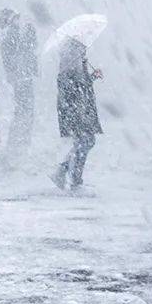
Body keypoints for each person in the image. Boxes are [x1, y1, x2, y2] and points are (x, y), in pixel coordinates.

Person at [52, 39, 103, 191]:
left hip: (76, 107)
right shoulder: (72, 58)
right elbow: (77, 84)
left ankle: (69, 174)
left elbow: (79, 83)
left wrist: (91, 75)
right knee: (86, 140)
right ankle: (68, 174)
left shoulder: (75, 57)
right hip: (76, 108)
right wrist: (92, 76)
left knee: (84, 141)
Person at [0, 9, 37, 147]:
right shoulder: (11, 34)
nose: (18, 20)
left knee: (23, 110)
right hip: (21, 78)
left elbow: (27, 49)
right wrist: (30, 30)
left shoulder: (10, 34)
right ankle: (18, 144)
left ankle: (18, 143)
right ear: (9, 20)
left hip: (20, 78)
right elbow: (25, 49)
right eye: (15, 18)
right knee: (24, 111)